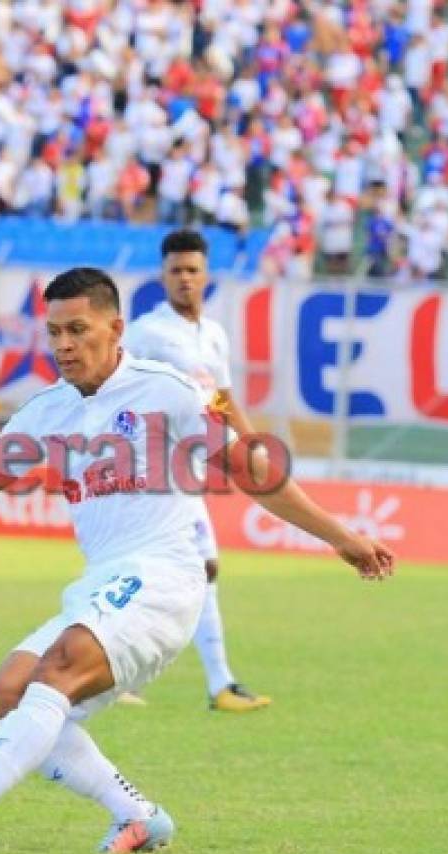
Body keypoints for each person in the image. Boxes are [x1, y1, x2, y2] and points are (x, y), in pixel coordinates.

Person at [0, 267, 394, 853]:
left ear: (116, 328)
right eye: (55, 332)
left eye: (78, 330)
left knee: (59, 666)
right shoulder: (46, 413)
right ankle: (138, 815)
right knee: (8, 694)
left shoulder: (166, 391)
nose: (64, 345)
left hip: (165, 578)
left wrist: (339, 535)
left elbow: (252, 470)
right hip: (104, 582)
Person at [121, 230, 269, 713]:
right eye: (175, 271)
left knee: (190, 568)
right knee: (181, 567)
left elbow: (222, 397)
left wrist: (251, 446)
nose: (184, 279)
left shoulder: (214, 334)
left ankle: (207, 683)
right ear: (163, 276)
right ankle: (212, 683)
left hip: (186, 466)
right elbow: (115, 385)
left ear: (206, 276)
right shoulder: (147, 332)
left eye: (192, 270)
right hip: (150, 466)